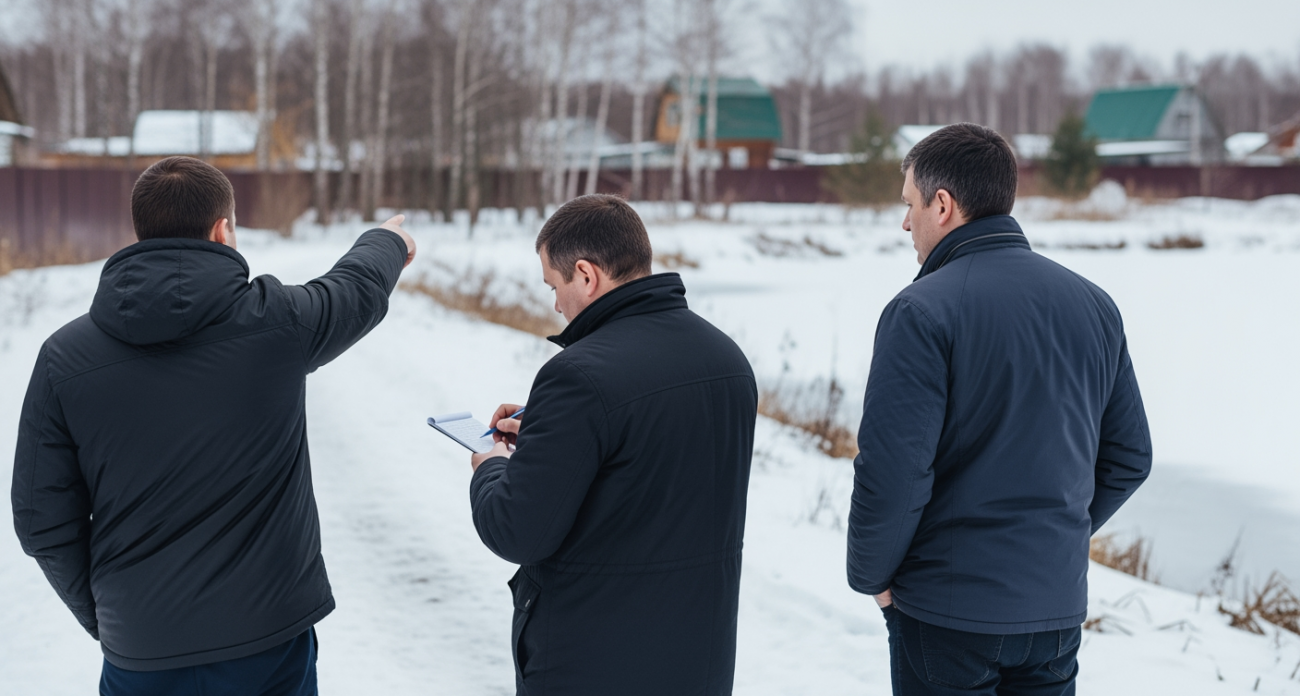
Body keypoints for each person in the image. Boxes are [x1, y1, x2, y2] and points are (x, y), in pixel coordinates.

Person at [11, 156, 416, 695]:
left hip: (140, 651)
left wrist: (112, 615)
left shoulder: (63, 357)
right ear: (223, 230)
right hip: (267, 644)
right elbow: (354, 289)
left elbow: (41, 521)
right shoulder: (277, 322)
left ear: (141, 229)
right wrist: (386, 240)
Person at [846, 124, 1152, 695]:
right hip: (1053, 615)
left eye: (910, 204)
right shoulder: (1093, 304)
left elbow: (893, 471)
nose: (905, 222)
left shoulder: (919, 312)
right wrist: (1050, 541)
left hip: (946, 613)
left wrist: (872, 577)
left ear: (944, 204)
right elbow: (1129, 457)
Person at [467, 194, 757, 695]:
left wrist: (491, 467)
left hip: (591, 661)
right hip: (698, 659)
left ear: (585, 274)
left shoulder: (578, 375)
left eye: (554, 286)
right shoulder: (727, 358)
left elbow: (517, 531)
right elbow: (651, 454)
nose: (556, 304)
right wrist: (551, 431)